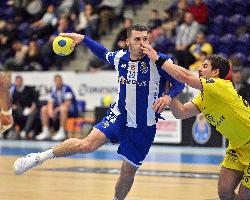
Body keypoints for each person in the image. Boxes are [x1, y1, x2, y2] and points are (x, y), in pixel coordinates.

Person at [13, 24, 185, 200]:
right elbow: (103, 53)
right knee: (86, 145)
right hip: (119, 115)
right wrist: (84, 39)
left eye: (145, 39)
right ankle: (38, 158)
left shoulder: (160, 61)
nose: (142, 43)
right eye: (137, 39)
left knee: (127, 172)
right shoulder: (120, 57)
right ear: (127, 42)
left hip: (144, 125)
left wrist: (168, 97)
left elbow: (180, 82)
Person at [140, 44, 250, 200]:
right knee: (224, 193)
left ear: (215, 72)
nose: (200, 69)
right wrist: (168, 93)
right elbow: (180, 113)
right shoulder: (203, 97)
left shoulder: (220, 85)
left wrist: (158, 59)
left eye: (205, 66)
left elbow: (185, 77)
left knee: (246, 197)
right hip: (237, 147)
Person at [35, 74, 78, 141]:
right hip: (58, 109)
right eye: (56, 81)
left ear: (61, 81)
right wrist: (50, 111)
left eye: (59, 80)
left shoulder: (67, 88)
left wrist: (57, 109)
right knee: (44, 109)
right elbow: (50, 102)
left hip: (70, 110)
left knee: (63, 108)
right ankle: (46, 131)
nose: (58, 82)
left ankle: (62, 131)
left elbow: (68, 103)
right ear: (54, 81)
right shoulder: (53, 88)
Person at [11, 75, 39, 139]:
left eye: (20, 81)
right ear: (15, 82)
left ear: (22, 81)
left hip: (31, 108)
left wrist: (31, 109)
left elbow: (35, 100)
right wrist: (13, 106)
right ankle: (15, 129)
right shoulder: (15, 92)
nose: (18, 83)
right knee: (10, 112)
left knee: (32, 113)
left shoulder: (29, 89)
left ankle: (25, 131)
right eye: (17, 81)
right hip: (21, 109)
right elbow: (12, 103)